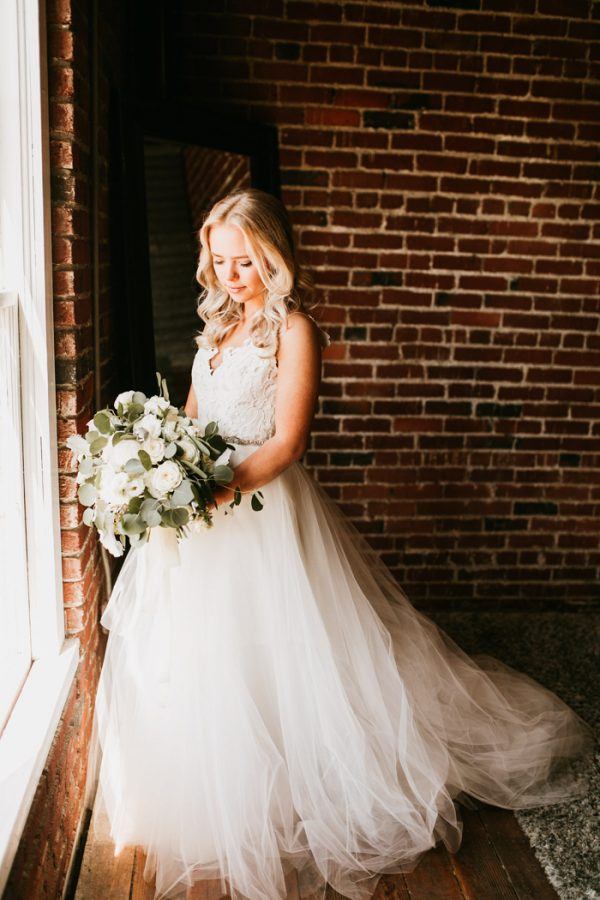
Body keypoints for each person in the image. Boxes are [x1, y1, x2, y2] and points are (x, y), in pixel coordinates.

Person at [84, 188, 594, 900]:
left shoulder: (294, 331)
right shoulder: (215, 330)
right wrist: (160, 465)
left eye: (245, 260)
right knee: (203, 655)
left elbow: (288, 441)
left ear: (273, 253)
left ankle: (306, 782)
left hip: (259, 506)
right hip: (196, 514)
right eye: (220, 261)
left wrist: (213, 489)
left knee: (283, 652)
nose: (232, 275)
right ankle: (216, 785)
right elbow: (194, 418)